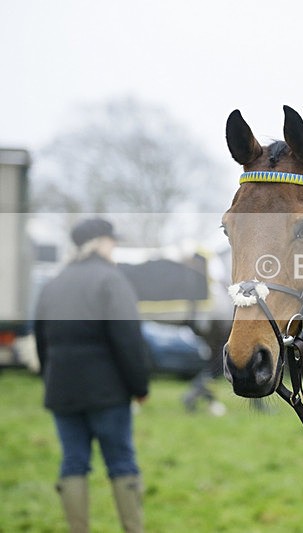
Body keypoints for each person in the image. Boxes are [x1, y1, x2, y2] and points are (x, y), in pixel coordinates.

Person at [35, 217, 149, 533]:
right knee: (121, 463)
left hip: (62, 391)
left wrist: (51, 379)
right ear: (100, 242)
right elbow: (127, 339)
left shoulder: (52, 284)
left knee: (73, 462)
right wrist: (139, 385)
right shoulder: (111, 280)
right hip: (108, 392)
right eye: (112, 241)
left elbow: (42, 340)